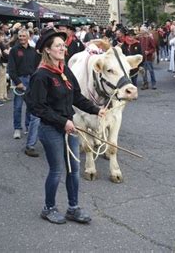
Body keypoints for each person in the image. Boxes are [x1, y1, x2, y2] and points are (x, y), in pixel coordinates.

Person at [25, 30, 107, 224]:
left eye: (64, 45)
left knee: (74, 169)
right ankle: (48, 208)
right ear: (47, 49)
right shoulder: (41, 75)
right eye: (58, 46)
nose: (63, 48)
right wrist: (64, 122)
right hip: (51, 129)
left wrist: (96, 110)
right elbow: (38, 108)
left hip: (68, 127)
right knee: (56, 170)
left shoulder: (64, 70)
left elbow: (76, 96)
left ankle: (73, 208)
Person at [8, 29, 39, 157]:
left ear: (28, 37)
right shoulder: (14, 50)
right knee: (18, 106)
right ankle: (17, 128)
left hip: (32, 79)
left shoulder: (33, 51)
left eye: (24, 36)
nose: (21, 38)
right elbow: (11, 68)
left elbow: (38, 66)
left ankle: (28, 127)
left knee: (30, 106)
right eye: (20, 36)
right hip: (20, 79)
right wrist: (17, 82)